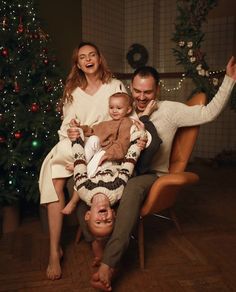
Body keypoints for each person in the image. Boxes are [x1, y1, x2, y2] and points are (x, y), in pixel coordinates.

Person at [74, 56, 236, 291]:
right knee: (77, 185)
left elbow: (208, 113)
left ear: (157, 90)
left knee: (131, 188)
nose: (141, 97)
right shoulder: (124, 111)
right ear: (132, 89)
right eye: (137, 91)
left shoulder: (170, 110)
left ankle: (109, 263)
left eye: (147, 92)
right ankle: (95, 242)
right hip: (118, 172)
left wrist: (229, 80)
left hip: (150, 174)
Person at [39, 41, 128, 281]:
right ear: (77, 64)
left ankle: (98, 248)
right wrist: (71, 132)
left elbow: (127, 116)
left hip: (102, 145)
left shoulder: (114, 85)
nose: (88, 60)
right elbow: (67, 125)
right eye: (82, 57)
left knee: (72, 169)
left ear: (99, 58)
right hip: (76, 143)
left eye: (92, 55)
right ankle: (54, 252)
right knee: (54, 179)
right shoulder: (73, 91)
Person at [62, 92, 162, 215]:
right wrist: (80, 128)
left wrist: (108, 154)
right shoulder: (106, 123)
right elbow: (92, 130)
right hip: (100, 151)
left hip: (113, 156)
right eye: (111, 107)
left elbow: (124, 144)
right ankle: (82, 162)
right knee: (93, 139)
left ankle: (79, 178)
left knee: (98, 156)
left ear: (128, 109)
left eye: (119, 108)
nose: (114, 111)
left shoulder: (128, 123)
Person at [67, 119, 146, 264]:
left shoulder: (84, 190)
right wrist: (138, 141)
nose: (103, 218)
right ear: (113, 213)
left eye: (98, 222)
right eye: (108, 221)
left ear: (88, 215)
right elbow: (129, 163)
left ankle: (78, 131)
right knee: (132, 135)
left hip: (94, 160)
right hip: (115, 158)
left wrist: (76, 139)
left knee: (89, 148)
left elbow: (79, 161)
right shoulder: (118, 190)